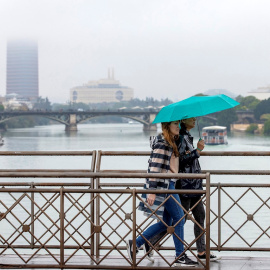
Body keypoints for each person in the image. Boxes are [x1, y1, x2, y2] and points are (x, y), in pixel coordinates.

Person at [126, 121, 198, 267]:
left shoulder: (171, 142)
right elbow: (154, 167)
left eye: (178, 124)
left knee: (166, 223)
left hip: (168, 184)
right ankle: (180, 255)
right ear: (167, 127)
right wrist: (152, 191)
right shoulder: (163, 143)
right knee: (179, 219)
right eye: (175, 124)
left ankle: (136, 243)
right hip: (165, 186)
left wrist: (195, 150)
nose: (178, 127)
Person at [176, 117, 219, 261]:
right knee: (179, 220)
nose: (194, 120)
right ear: (183, 121)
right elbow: (180, 161)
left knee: (200, 216)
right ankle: (148, 243)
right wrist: (198, 150)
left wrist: (195, 150)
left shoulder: (187, 136)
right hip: (186, 184)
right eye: (191, 118)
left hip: (193, 184)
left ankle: (201, 251)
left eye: (195, 118)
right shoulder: (181, 138)